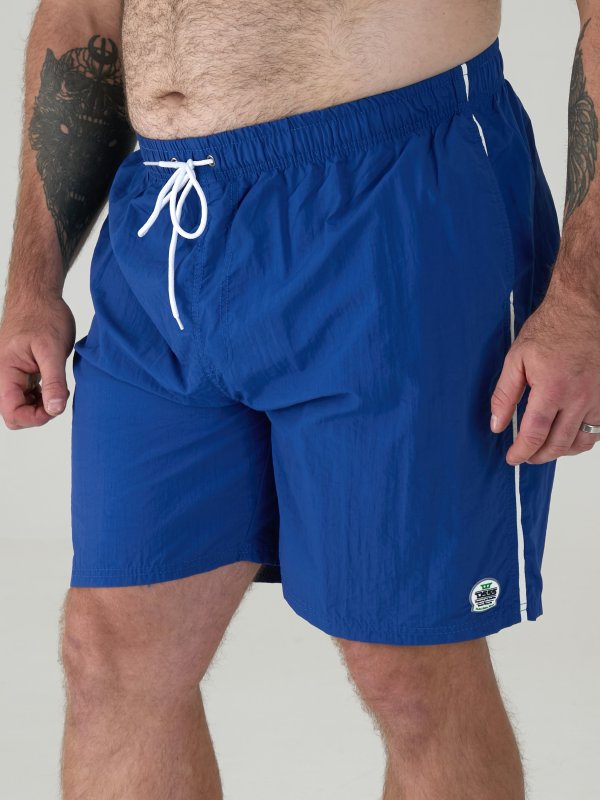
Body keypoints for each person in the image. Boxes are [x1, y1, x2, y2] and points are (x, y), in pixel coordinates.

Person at [1, 0, 599, 797]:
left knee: (409, 666)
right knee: (112, 651)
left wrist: (586, 297)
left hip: (392, 202)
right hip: (165, 229)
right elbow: (82, 16)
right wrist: (32, 278)